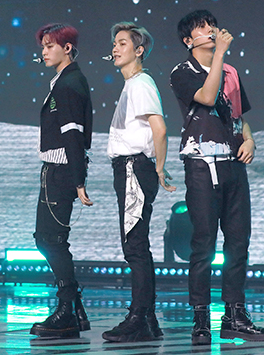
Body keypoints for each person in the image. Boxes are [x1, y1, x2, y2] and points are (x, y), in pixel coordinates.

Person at [170, 10, 264, 345]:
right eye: (203, 28)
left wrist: (250, 140)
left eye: (212, 25)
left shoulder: (231, 72)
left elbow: (239, 117)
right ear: (189, 40)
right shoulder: (182, 72)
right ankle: (200, 317)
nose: (211, 30)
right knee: (204, 243)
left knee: (238, 242)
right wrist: (220, 55)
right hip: (202, 165)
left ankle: (235, 314)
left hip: (233, 165)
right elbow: (207, 97)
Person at [100, 22, 176, 343]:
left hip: (134, 168)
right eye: (115, 43)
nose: (115, 48)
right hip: (131, 168)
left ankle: (139, 318)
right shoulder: (132, 85)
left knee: (134, 246)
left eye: (122, 43)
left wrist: (158, 167)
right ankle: (148, 319)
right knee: (136, 244)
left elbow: (160, 128)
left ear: (139, 50)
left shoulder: (141, 83)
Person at [29, 23, 93, 339]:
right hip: (57, 170)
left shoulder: (69, 83)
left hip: (62, 170)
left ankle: (67, 310)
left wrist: (78, 180)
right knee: (48, 238)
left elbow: (73, 134)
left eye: (49, 46)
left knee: (51, 239)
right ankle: (75, 309)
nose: (44, 52)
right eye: (42, 46)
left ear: (67, 48)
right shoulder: (64, 81)